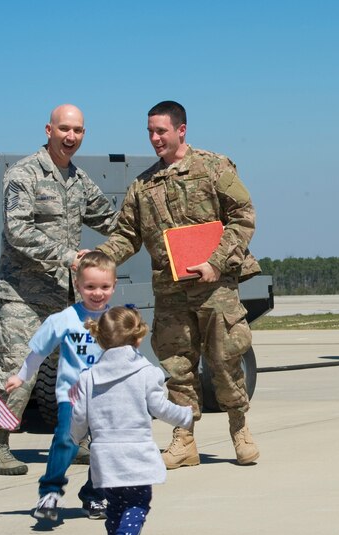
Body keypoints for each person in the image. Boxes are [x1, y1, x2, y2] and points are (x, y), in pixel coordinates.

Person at [96, 100, 261, 469]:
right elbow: (126, 235)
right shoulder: (143, 185)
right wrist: (100, 259)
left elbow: (243, 217)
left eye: (161, 131)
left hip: (214, 288)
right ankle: (184, 441)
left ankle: (240, 430)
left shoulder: (214, 166)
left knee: (225, 360)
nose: (155, 138)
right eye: (150, 132)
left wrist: (216, 263)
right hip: (170, 291)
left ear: (181, 130)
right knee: (176, 367)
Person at [0, 104, 119, 476]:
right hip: (24, 294)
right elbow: (17, 230)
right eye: (64, 129)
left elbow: (108, 218)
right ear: (48, 130)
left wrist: (146, 232)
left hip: (65, 297)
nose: (71, 137)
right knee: (16, 370)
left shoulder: (77, 179)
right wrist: (69, 257)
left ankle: (76, 441)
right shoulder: (23, 174)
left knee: (79, 370)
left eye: (78, 131)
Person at [70, 306, 193, 535]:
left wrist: (74, 437)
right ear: (138, 338)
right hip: (135, 454)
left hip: (105, 457)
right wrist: (185, 416)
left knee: (114, 505)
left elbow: (79, 416)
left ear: (100, 338)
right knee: (138, 502)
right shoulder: (147, 373)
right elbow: (160, 409)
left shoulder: (89, 377)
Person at [5, 251, 116, 520]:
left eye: (104, 287)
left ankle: (95, 496)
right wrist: (20, 376)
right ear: (78, 286)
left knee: (105, 448)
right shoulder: (64, 318)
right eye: (90, 286)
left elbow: (131, 358)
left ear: (114, 286)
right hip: (72, 394)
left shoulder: (116, 320)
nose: (97, 293)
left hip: (107, 397)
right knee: (65, 440)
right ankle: (50, 492)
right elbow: (38, 352)